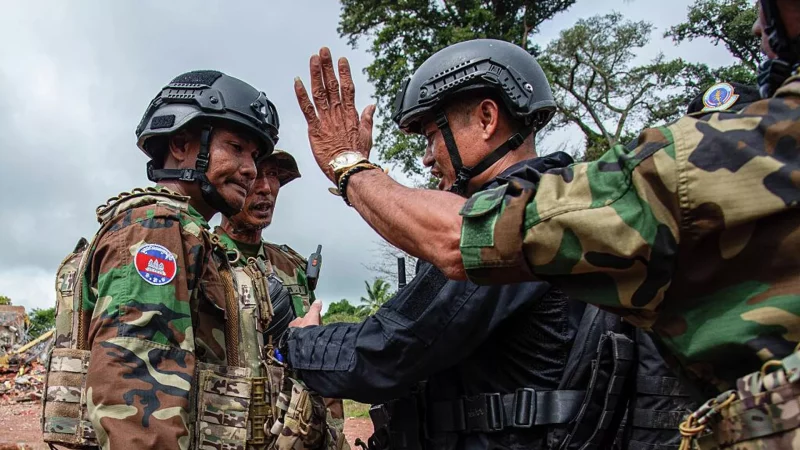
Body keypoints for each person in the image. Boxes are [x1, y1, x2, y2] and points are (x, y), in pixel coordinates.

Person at [293, 0, 800, 446]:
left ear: (488, 119)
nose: (427, 159)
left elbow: (389, 350)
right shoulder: (580, 201)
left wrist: (295, 343)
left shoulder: (521, 220)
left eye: (431, 135)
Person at [43, 70, 338, 450]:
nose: (251, 169)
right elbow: (138, 401)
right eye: (236, 147)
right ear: (182, 144)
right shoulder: (157, 229)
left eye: (255, 155)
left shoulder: (189, 234)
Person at [214, 148, 346, 421]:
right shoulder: (202, 258)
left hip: (291, 430)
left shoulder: (291, 265)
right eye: (255, 175)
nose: (265, 188)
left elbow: (316, 355)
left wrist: (332, 425)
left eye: (272, 175)